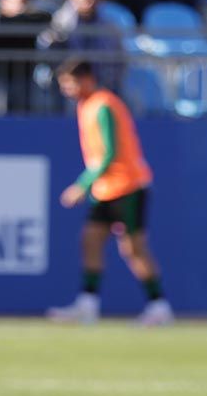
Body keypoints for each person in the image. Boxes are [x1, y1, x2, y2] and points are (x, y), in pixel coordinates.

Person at [47, 60, 173, 326]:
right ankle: (87, 305)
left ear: (87, 79)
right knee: (90, 240)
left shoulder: (104, 105)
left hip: (127, 186)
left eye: (71, 83)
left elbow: (110, 152)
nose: (68, 89)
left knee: (133, 248)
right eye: (64, 85)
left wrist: (82, 185)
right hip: (105, 189)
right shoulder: (85, 106)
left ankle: (159, 306)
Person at [38, 0, 124, 97]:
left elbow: (117, 57)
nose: (87, 2)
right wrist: (66, 76)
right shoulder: (59, 22)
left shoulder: (109, 26)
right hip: (66, 85)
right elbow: (48, 49)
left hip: (99, 83)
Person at [0, 0, 52, 115]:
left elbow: (46, 17)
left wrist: (20, 15)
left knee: (23, 115)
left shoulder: (35, 17)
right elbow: (2, 22)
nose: (21, 4)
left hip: (24, 77)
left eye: (25, 0)